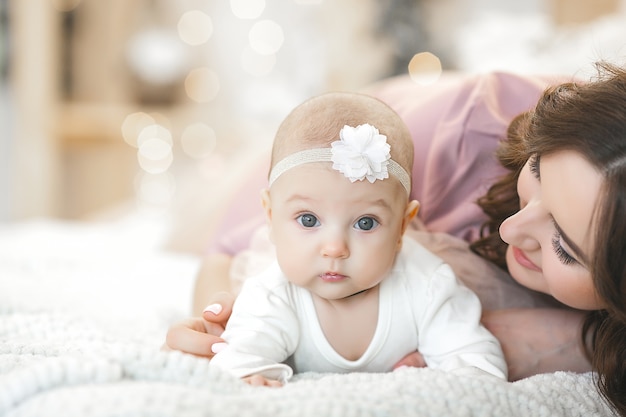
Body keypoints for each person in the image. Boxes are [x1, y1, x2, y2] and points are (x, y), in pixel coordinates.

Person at [165, 63, 626, 415]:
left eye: (565, 246)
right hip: (345, 132)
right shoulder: (445, 137)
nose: (511, 230)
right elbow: (232, 247)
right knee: (187, 219)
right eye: (538, 173)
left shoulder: (426, 282)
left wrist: (586, 342)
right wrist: (227, 333)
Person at [209, 91, 507, 386]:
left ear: (402, 227)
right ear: (270, 216)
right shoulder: (272, 293)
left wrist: (459, 385)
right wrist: (249, 379)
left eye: (366, 223)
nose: (335, 249)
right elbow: (238, 359)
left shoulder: (428, 284)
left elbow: (475, 363)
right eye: (308, 220)